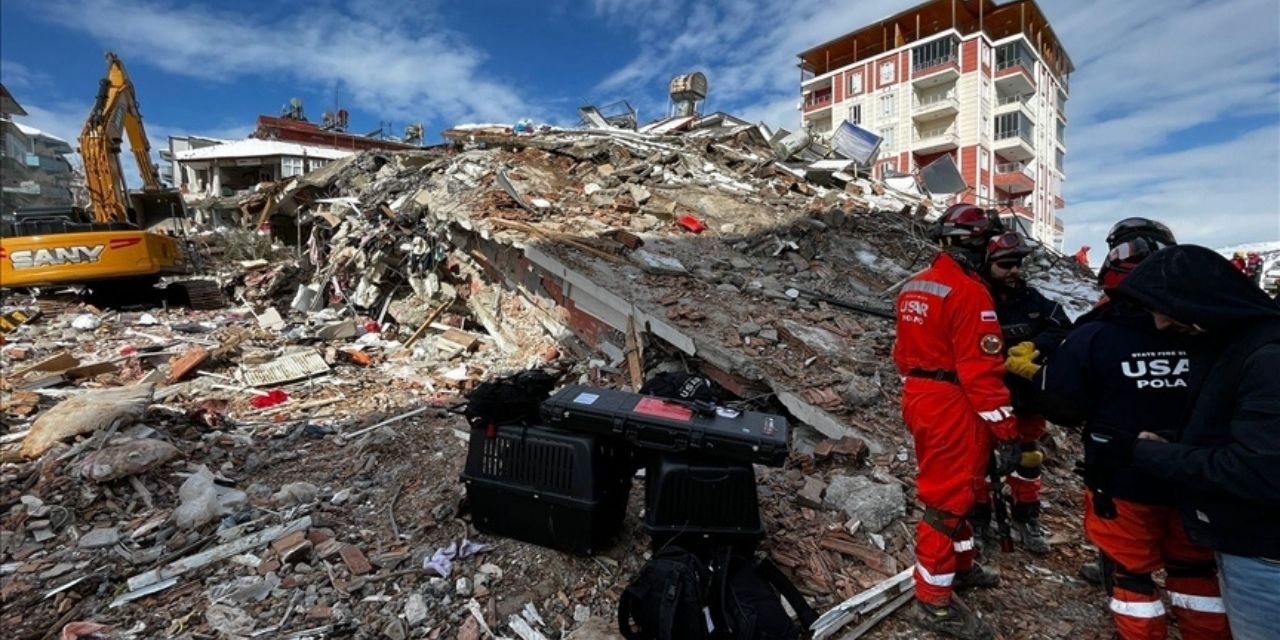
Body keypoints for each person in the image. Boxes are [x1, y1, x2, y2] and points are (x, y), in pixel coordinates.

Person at [1004, 238, 1229, 639]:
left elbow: (1064, 405)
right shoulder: (1216, 334)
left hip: (1123, 475)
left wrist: (1036, 377)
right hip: (1199, 472)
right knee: (1195, 572)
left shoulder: (1098, 334)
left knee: (1133, 577)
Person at [1091, 244, 1280, 639]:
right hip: (1245, 544)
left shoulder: (1266, 358)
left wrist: (1150, 453)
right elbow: (1243, 436)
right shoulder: (1237, 347)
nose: (1159, 326)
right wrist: (1177, 442)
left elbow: (1261, 471)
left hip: (1266, 557)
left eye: (1165, 311)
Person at [893, 203, 1019, 640]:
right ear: (976, 246)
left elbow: (903, 353)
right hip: (953, 403)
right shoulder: (969, 293)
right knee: (948, 500)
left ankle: (960, 568)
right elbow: (981, 372)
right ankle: (933, 603)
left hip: (921, 394)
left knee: (965, 489)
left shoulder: (916, 285)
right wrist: (1006, 430)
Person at [969, 231, 1071, 555]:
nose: (1013, 270)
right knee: (982, 460)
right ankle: (981, 521)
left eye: (1017, 264)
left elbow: (1062, 325)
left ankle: (1027, 517)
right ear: (988, 264)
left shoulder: (1032, 300)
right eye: (1005, 264)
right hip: (986, 395)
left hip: (1026, 397)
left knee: (1028, 459)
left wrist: (1034, 348)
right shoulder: (975, 297)